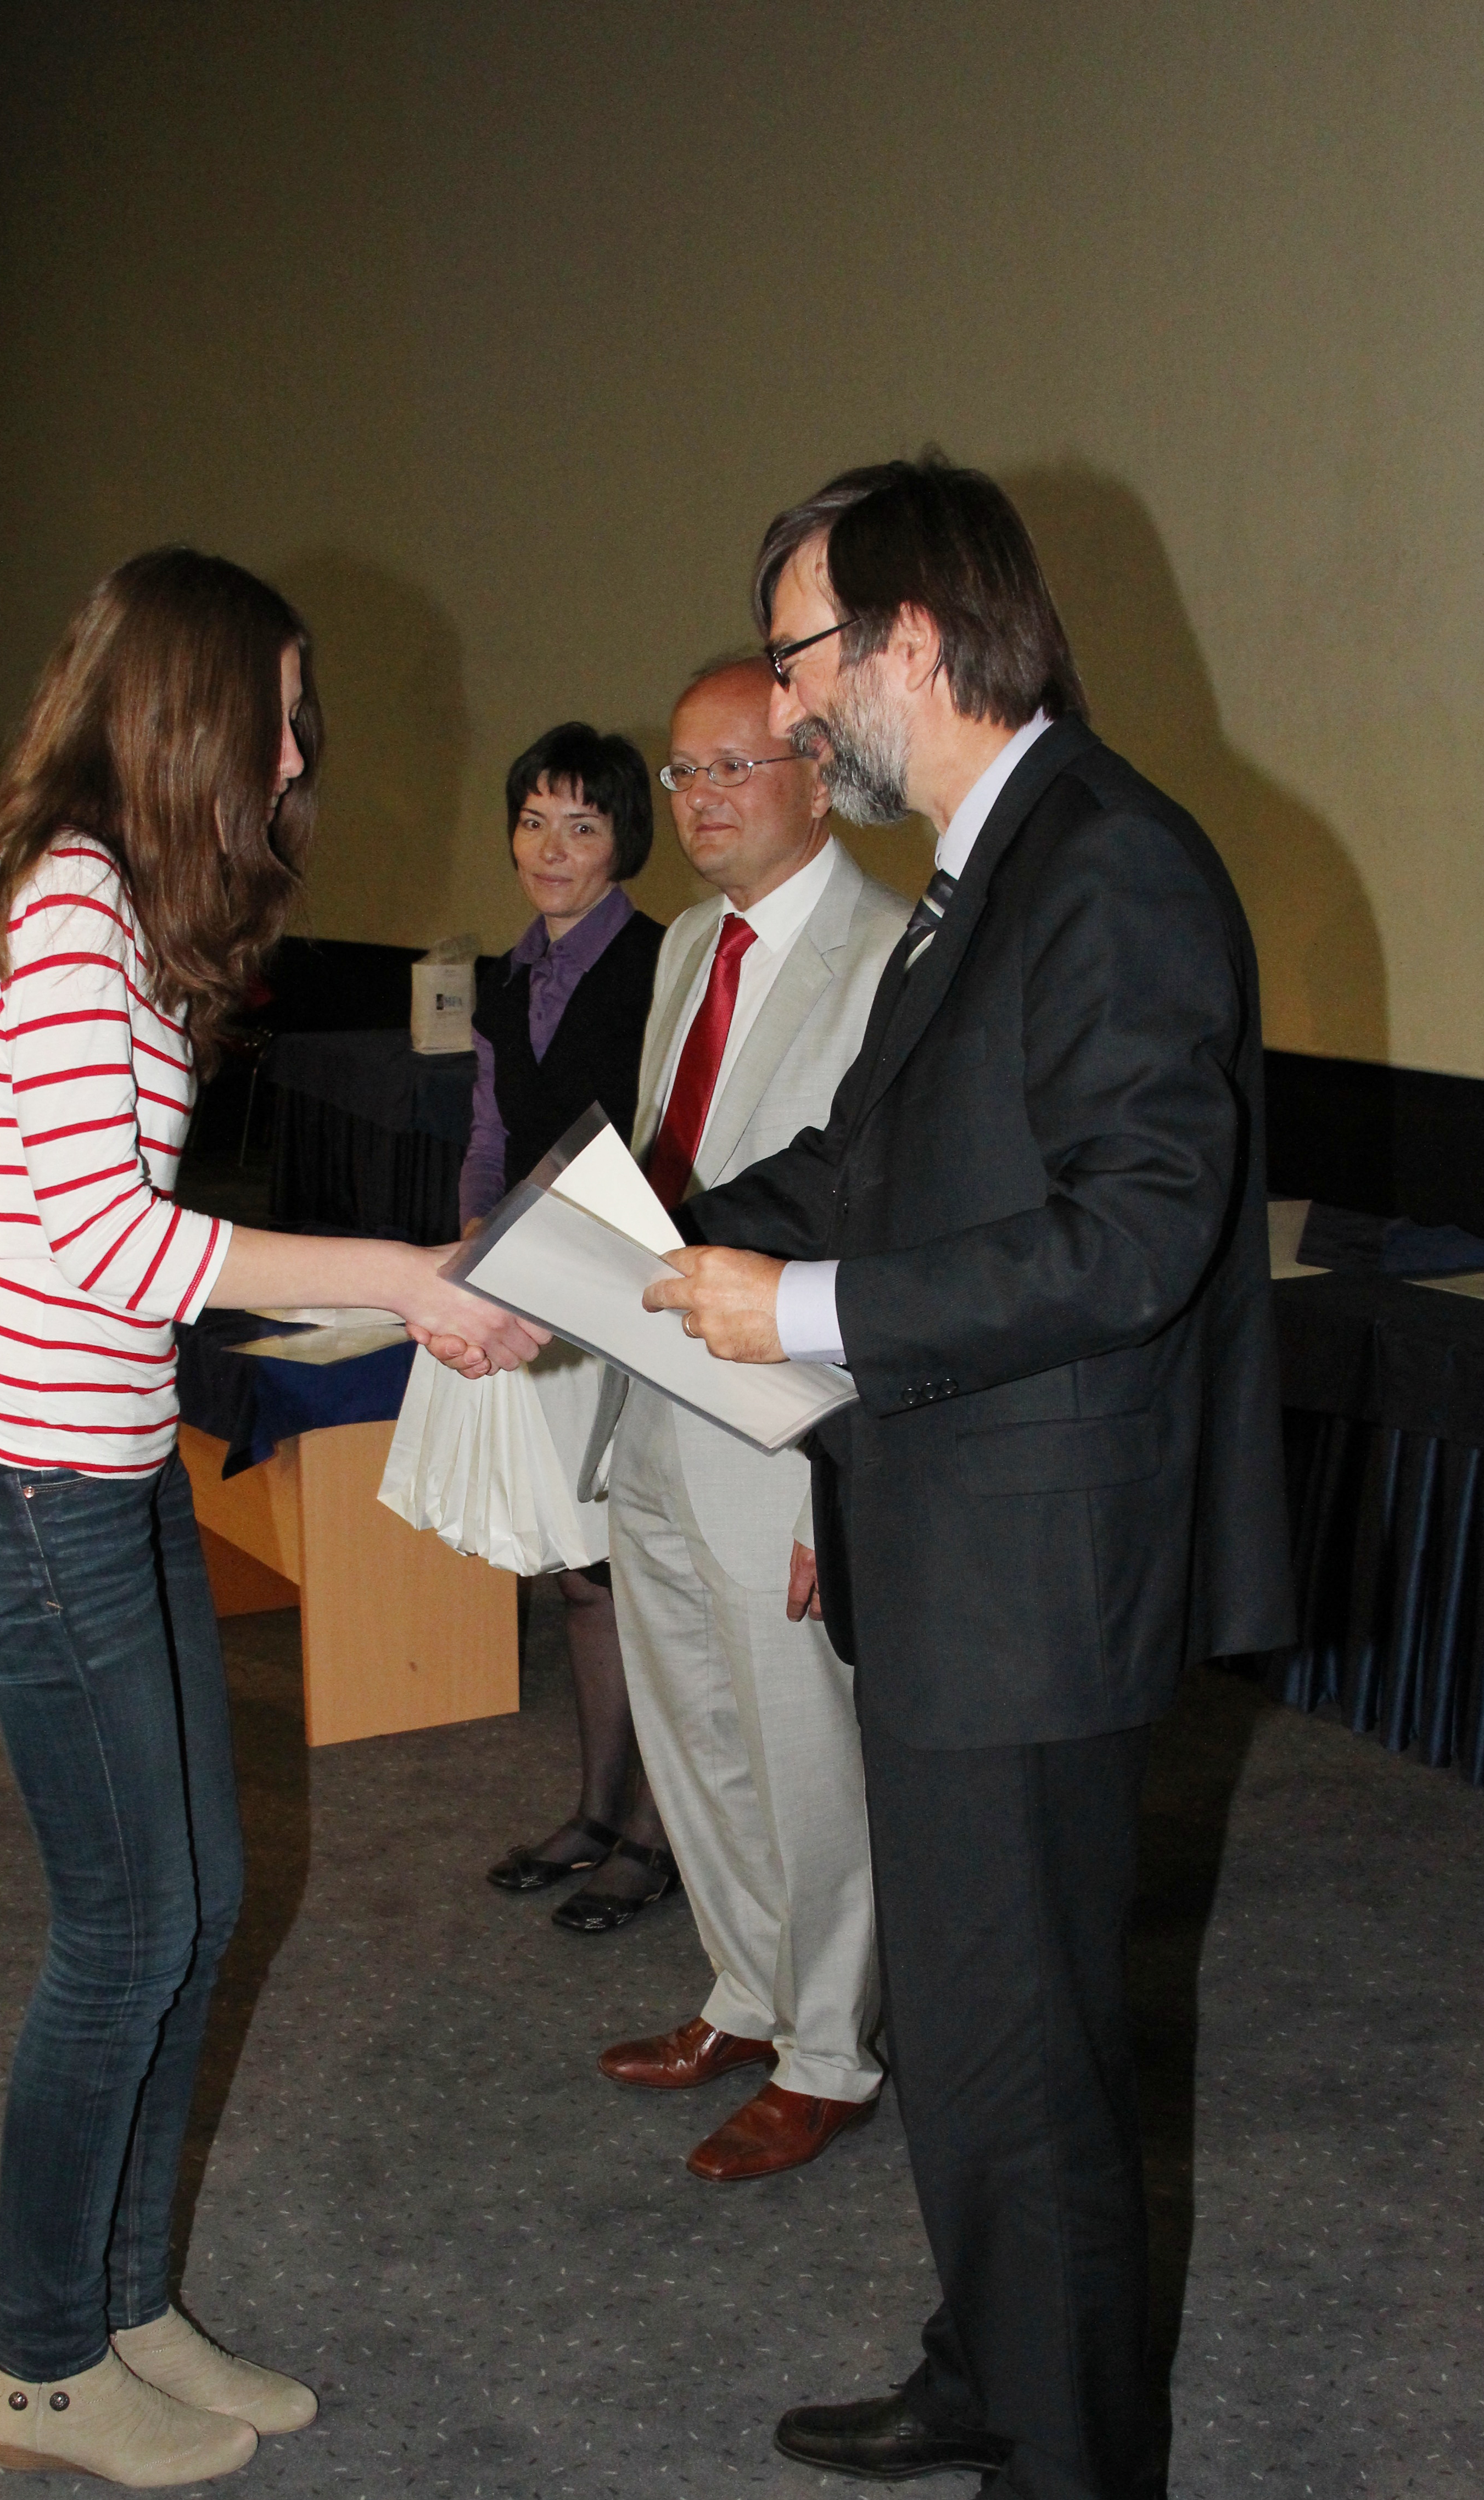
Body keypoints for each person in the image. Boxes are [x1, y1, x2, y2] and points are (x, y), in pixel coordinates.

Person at [646, 455, 1291, 2500]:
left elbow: (1137, 1232)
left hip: (1033, 1574)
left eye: (803, 659)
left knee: (1027, 2043)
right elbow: (862, 1166)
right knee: (962, 2014)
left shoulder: (1110, 865)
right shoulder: (987, 866)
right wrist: (633, 1249)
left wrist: (805, 1312)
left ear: (912, 636)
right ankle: (988, 2369)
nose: (788, 711)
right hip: (953, 1549)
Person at [0, 546, 539, 2493]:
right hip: (25, 1477)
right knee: (125, 1928)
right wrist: (406, 1279)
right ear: (178, 706)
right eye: (275, 709)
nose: (295, 749)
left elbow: (103, 1237)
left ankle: (124, 2302)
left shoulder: (95, 893)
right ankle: (38, 2358)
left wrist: (383, 1285)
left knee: (195, 1901)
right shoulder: (66, 892)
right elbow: (107, 1239)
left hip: (94, 1462)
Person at [588, 657, 906, 2177]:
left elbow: (895, 1232)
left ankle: (832, 2050)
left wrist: (842, 1470)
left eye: (733, 768)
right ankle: (746, 1990)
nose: (700, 799)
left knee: (801, 1752)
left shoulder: (896, 957)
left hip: (788, 1426)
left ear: (821, 776)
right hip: (656, 1393)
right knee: (695, 1729)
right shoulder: (683, 948)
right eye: (683, 773)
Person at [461, 722, 677, 1936]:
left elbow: (665, 1146)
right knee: (578, 1573)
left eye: (581, 826)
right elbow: (490, 1136)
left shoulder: (663, 961)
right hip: (536, 1295)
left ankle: (655, 1833)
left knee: (645, 1575)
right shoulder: (504, 975)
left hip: (635, 1301)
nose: (551, 848)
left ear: (622, 842)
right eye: (534, 821)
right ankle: (597, 1810)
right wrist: (477, 1255)